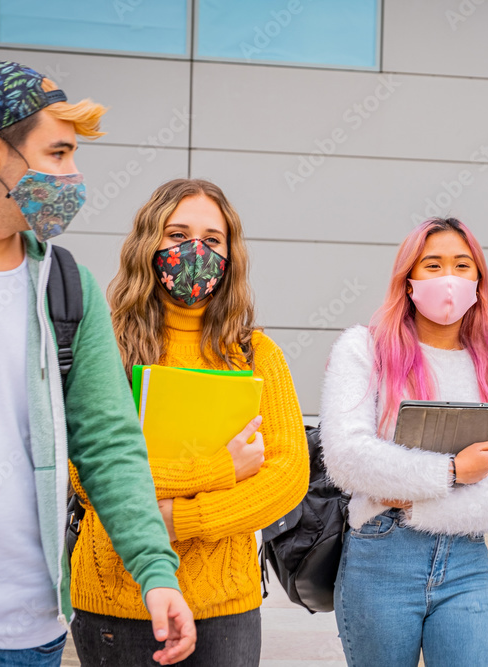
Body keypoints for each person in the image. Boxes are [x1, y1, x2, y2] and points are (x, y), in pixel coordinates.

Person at [0, 62, 196, 666]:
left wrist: (156, 571)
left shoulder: (68, 287)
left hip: (26, 637)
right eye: (57, 153)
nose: (73, 175)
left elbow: (110, 444)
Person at [67, 178, 310, 667]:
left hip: (227, 608)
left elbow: (286, 478)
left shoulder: (255, 354)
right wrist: (221, 469)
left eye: (212, 239)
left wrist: (178, 519)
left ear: (230, 255)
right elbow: (89, 474)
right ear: (148, 244)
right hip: (119, 604)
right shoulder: (105, 346)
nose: (195, 249)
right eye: (177, 235)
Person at [321, 217, 488, 667]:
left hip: (465, 562)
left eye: (462, 266)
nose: (448, 279)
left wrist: (411, 502)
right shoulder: (364, 350)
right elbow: (347, 457)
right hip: (381, 558)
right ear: (408, 281)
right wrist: (453, 473)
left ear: (479, 282)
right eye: (433, 265)